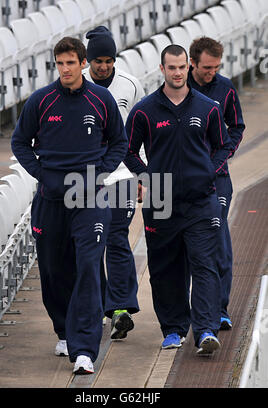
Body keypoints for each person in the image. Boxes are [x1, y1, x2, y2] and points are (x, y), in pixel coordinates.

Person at [11, 36, 127, 374]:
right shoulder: (41, 101)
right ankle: (63, 329)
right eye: (60, 63)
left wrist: (100, 174)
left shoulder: (101, 99)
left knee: (89, 269)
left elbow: (119, 142)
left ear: (83, 64)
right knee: (52, 270)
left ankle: (84, 349)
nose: (65, 69)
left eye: (71, 63)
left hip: (90, 200)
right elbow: (20, 142)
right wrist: (42, 174)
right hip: (50, 200)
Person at [124, 44, 232, 355]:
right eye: (171, 67)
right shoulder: (145, 110)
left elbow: (222, 145)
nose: (177, 72)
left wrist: (209, 172)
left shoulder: (207, 107)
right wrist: (146, 177)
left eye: (182, 67)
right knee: (164, 268)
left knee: (204, 264)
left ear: (188, 67)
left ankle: (207, 330)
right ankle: (173, 329)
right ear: (162, 69)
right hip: (161, 202)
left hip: (201, 201)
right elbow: (128, 151)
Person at [82, 26, 145, 340]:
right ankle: (100, 306)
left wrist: (144, 175)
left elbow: (142, 130)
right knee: (93, 243)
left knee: (117, 239)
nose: (104, 66)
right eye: (98, 61)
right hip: (85, 178)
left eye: (108, 60)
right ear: (89, 61)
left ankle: (120, 307)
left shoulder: (130, 85)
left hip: (122, 175)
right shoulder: (75, 84)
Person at [188, 37, 245, 330]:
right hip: (180, 179)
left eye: (216, 67)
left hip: (216, 177)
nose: (212, 72)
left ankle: (219, 308)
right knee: (180, 246)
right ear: (192, 63)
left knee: (218, 241)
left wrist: (221, 158)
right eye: (207, 68)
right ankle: (184, 313)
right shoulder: (177, 87)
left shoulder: (225, 88)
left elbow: (236, 127)